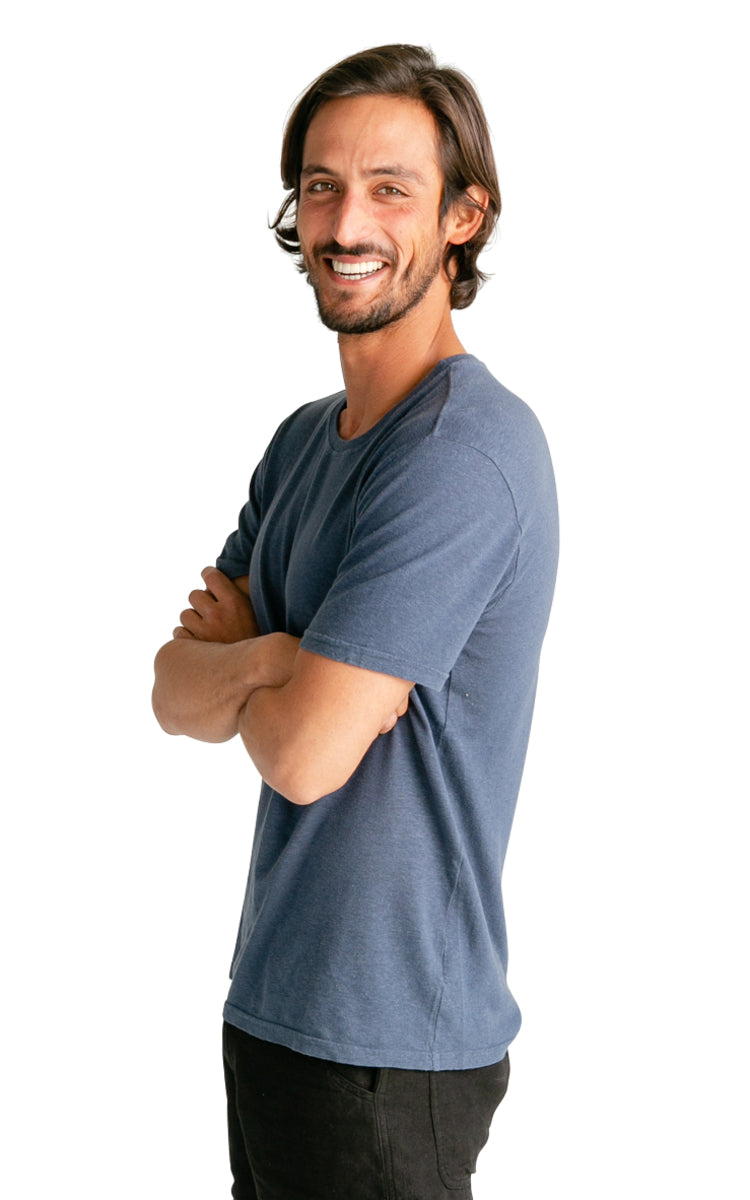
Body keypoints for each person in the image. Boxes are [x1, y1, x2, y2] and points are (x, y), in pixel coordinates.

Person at [152, 43, 558, 1200]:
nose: (346, 223)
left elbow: (305, 754)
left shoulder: (462, 453)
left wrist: (253, 664)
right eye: (322, 186)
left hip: (388, 1051)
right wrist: (277, 657)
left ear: (464, 216)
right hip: (276, 1010)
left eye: (390, 188)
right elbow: (172, 691)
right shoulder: (301, 443)